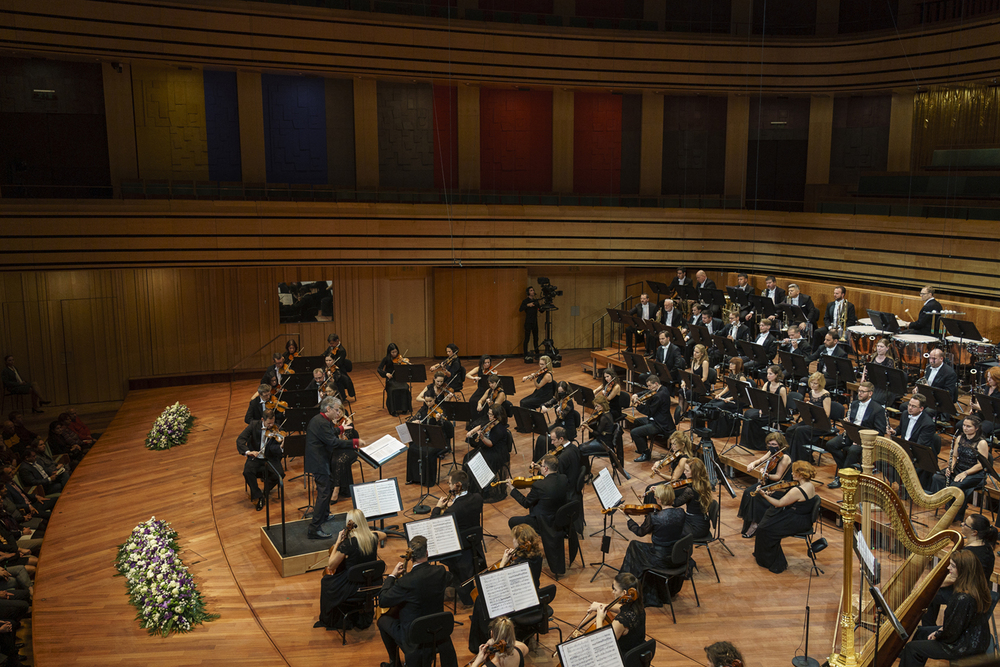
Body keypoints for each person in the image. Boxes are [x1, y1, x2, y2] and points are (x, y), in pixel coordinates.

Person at [899, 550, 992, 667]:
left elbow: (952, 634)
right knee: (921, 632)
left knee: (912, 648)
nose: (948, 568)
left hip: (966, 645)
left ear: (963, 570)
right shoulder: (974, 586)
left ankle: (910, 658)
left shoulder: (963, 598)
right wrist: (941, 630)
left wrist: (937, 634)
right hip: (972, 635)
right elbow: (957, 624)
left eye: (953, 566)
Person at [377, 535, 452, 667]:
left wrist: (392, 576)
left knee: (382, 621)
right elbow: (449, 578)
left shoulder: (405, 582)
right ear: (427, 553)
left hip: (414, 636)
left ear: (411, 557)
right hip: (437, 630)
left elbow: (383, 600)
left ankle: (395, 663)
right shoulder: (440, 572)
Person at [467, 525, 544, 654]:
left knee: (482, 601)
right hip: (531, 596)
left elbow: (498, 582)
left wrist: (503, 564)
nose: (512, 541)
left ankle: (482, 642)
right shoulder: (537, 557)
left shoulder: (519, 564)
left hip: (518, 601)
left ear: (519, 542)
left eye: (514, 539)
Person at [921, 514, 997, 627]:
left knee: (927, 594)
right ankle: (930, 628)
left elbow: (953, 578)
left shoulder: (969, 553)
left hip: (967, 594)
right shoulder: (987, 548)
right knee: (933, 591)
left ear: (974, 532)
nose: (961, 524)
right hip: (978, 590)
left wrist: (931, 583)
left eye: (965, 524)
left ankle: (928, 629)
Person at [315, 508, 386, 629]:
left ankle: (330, 619)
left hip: (354, 585)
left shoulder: (348, 544)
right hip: (373, 582)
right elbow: (383, 534)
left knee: (326, 581)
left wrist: (338, 542)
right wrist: (366, 532)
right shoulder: (373, 538)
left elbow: (331, 565)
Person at [305, 397, 364, 540]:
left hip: (321, 459)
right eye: (336, 410)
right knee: (324, 493)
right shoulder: (322, 423)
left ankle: (324, 516)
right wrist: (355, 442)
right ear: (328, 409)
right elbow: (332, 442)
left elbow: (330, 432)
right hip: (318, 462)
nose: (338, 413)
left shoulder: (322, 420)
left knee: (328, 486)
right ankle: (314, 528)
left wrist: (342, 428)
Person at [620, 483, 685, 607]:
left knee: (634, 545)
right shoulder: (681, 513)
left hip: (659, 559)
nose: (654, 498)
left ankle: (628, 585)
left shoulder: (655, 518)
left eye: (656, 497)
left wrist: (628, 518)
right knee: (638, 546)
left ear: (660, 499)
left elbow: (640, 532)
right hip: (676, 556)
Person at [753, 461, 820, 574]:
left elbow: (778, 503)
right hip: (803, 518)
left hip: (797, 522)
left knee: (765, 529)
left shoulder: (797, 490)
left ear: (801, 474)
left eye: (795, 472)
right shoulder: (809, 485)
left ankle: (770, 560)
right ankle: (764, 554)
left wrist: (764, 495)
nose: (792, 474)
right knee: (767, 523)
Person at [432, 470, 484, 606]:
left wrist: (438, 508)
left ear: (457, 485)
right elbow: (465, 507)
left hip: (459, 550)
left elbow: (435, 522)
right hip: (474, 546)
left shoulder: (452, 511)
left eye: (450, 483)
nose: (448, 486)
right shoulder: (478, 498)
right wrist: (455, 503)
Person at [824, 381, 887, 488]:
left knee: (853, 450)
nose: (860, 394)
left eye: (863, 392)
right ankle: (845, 470)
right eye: (859, 391)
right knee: (831, 444)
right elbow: (852, 420)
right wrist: (847, 421)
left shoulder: (878, 409)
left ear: (870, 393)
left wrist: (864, 439)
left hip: (865, 439)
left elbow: (880, 431)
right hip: (851, 434)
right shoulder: (854, 404)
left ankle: (842, 478)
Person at [931, 416, 990, 514]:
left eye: (969, 426)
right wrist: (951, 467)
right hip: (959, 468)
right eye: (964, 425)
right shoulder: (959, 438)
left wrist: (965, 473)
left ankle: (953, 512)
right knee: (938, 477)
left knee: (956, 485)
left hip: (974, 473)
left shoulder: (982, 443)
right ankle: (942, 503)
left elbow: (981, 465)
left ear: (976, 428)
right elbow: (954, 456)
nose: (965, 428)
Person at [738, 432, 792, 537]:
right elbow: (760, 460)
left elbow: (777, 477)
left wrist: (766, 474)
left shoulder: (784, 457)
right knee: (747, 492)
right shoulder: (772, 453)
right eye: (769, 445)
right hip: (768, 482)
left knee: (757, 496)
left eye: (774, 445)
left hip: (779, 486)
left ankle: (756, 524)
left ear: (780, 445)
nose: (771, 447)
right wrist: (752, 464)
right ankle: (749, 522)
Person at [585, 572, 646, 654]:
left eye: (615, 589)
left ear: (624, 593)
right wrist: (601, 605)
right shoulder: (639, 608)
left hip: (623, 658)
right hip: (636, 654)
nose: (613, 592)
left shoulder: (620, 622)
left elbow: (603, 645)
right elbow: (620, 608)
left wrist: (599, 618)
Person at [236, 409, 285, 511]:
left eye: (273, 423)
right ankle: (259, 496)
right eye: (268, 423)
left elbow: (275, 450)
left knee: (280, 474)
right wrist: (248, 452)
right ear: (262, 419)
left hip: (270, 458)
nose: (271, 426)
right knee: (247, 472)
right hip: (256, 458)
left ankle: (265, 492)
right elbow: (240, 439)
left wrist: (281, 447)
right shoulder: (253, 425)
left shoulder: (277, 429)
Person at [506, 455, 568, 532]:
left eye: (541, 466)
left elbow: (526, 503)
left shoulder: (539, 485)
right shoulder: (564, 478)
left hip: (544, 521)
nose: (540, 467)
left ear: (546, 469)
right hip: (559, 517)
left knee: (512, 521)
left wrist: (513, 489)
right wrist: (540, 468)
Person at [464, 405, 512, 500]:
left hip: (496, 452)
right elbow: (480, 426)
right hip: (488, 448)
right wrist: (471, 432)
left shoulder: (499, 429)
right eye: (489, 413)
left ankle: (479, 489)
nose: (489, 416)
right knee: (467, 457)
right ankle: (468, 487)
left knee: (476, 462)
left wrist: (482, 437)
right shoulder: (491, 421)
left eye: (490, 414)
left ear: (497, 416)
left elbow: (490, 444)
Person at [404, 394, 451, 486]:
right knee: (412, 449)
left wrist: (439, 420)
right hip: (425, 438)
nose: (428, 403)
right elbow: (412, 420)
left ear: (435, 399)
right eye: (426, 401)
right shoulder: (423, 410)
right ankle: (414, 478)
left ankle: (428, 480)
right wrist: (414, 422)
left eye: (431, 401)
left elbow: (447, 427)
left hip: (438, 440)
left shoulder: (441, 410)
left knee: (428, 453)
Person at [785, 372, 832, 463]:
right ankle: (789, 455)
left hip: (821, 424)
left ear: (821, 383)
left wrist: (813, 408)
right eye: (811, 383)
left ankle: (801, 458)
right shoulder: (811, 392)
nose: (813, 385)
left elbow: (826, 414)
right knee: (790, 429)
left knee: (800, 431)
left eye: (815, 383)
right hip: (811, 420)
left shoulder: (826, 395)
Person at [739, 365, 787, 451]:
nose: (768, 375)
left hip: (776, 413)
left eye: (770, 374)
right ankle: (747, 442)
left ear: (776, 375)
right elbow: (761, 399)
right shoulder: (767, 384)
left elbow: (783, 406)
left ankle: (758, 444)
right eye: (768, 373)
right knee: (747, 413)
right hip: (765, 410)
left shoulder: (782, 389)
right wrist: (761, 408)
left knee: (753, 418)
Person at [630, 374, 675, 463]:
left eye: (650, 385)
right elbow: (648, 392)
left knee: (634, 432)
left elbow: (649, 411)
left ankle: (646, 454)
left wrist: (638, 406)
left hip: (660, 424)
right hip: (656, 419)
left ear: (656, 384)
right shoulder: (663, 388)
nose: (649, 388)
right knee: (637, 421)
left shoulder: (659, 396)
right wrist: (636, 394)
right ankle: (641, 447)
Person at [675, 459, 713, 539]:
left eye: (687, 470)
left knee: (669, 532)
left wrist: (661, 495)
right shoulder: (702, 483)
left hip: (696, 527)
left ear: (695, 473)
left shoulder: (691, 490)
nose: (684, 472)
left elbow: (675, 503)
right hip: (702, 523)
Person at [537, 382, 579, 455]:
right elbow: (545, 403)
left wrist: (559, 411)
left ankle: (552, 456)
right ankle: (539, 459)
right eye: (559, 392)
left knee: (549, 440)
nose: (561, 394)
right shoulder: (557, 398)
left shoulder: (569, 402)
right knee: (542, 435)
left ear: (566, 391)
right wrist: (543, 406)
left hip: (567, 428)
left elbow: (562, 416)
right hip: (558, 424)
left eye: (563, 392)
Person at [377, 344, 411, 417]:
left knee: (405, 387)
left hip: (400, 379)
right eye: (393, 352)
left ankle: (405, 408)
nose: (395, 354)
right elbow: (379, 369)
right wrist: (386, 374)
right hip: (391, 380)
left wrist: (407, 364)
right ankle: (393, 410)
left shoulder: (400, 358)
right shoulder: (386, 359)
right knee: (392, 389)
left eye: (396, 352)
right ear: (389, 352)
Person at [970, 365, 1000, 438]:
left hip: (995, 419)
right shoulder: (987, 387)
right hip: (983, 414)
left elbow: (995, 411)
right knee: (962, 424)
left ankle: (976, 447)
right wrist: (974, 406)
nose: (988, 380)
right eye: (988, 377)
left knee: (981, 429)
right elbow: (983, 401)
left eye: (991, 378)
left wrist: (979, 408)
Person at [323, 333, 356, 399]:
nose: (330, 345)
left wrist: (331, 364)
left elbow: (339, 363)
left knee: (338, 379)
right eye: (330, 343)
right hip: (330, 368)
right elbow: (324, 354)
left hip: (340, 370)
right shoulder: (331, 347)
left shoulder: (342, 350)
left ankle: (341, 396)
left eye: (332, 343)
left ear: (337, 341)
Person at [467, 355, 496, 425]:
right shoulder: (478, 369)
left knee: (486, 402)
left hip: (489, 390)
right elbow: (467, 375)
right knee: (472, 400)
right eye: (485, 363)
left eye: (488, 362)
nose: (487, 364)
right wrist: (474, 378)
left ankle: (485, 419)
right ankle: (475, 419)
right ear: (482, 363)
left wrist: (495, 375)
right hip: (481, 389)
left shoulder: (492, 370)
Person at [520, 287, 540, 360]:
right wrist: (528, 305)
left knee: (536, 338)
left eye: (533, 290)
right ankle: (525, 354)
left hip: (535, 322)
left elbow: (541, 310)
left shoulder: (536, 301)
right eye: (531, 290)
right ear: (528, 292)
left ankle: (537, 353)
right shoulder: (525, 301)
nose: (533, 291)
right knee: (527, 338)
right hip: (528, 322)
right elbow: (520, 309)